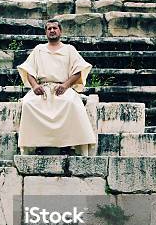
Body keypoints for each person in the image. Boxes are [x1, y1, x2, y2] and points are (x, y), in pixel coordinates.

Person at [17, 20, 97, 156]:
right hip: (43, 88)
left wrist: (66, 85)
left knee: (72, 104)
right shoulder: (39, 49)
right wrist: (35, 85)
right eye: (49, 29)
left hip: (62, 88)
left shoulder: (69, 49)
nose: (52, 30)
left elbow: (78, 70)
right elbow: (29, 71)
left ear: (60, 31)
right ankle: (31, 148)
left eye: (54, 28)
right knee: (28, 104)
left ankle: (76, 147)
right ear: (46, 32)